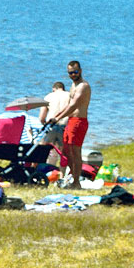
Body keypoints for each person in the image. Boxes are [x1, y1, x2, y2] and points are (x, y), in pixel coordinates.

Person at [46, 61, 91, 189]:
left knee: (75, 151)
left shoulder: (83, 86)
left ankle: (76, 182)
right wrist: (55, 117)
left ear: (80, 71)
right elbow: (68, 105)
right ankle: (72, 178)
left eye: (75, 72)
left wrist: (58, 118)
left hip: (79, 121)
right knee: (66, 151)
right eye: (70, 73)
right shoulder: (73, 85)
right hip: (71, 121)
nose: (73, 75)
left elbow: (74, 105)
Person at [38, 81, 71, 164]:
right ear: (63, 88)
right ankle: (63, 175)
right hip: (65, 126)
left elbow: (41, 118)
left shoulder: (48, 97)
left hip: (51, 126)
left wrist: (44, 124)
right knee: (65, 154)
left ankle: (38, 172)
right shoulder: (70, 95)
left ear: (54, 89)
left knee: (41, 152)